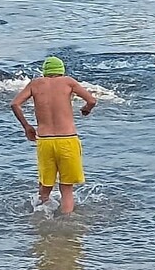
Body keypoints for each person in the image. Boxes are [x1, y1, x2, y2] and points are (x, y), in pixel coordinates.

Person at [10, 56, 96, 215]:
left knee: (45, 186)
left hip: (45, 141)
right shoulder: (68, 82)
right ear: (61, 71)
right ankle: (67, 225)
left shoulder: (35, 84)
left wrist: (27, 127)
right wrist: (86, 109)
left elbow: (15, 104)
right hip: (67, 139)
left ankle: (40, 217)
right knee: (66, 188)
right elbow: (91, 100)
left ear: (45, 72)